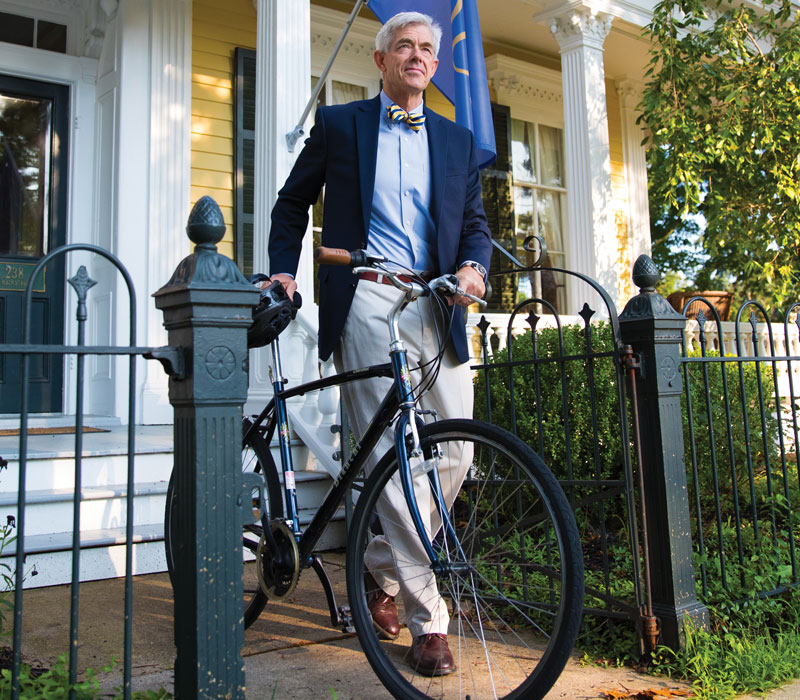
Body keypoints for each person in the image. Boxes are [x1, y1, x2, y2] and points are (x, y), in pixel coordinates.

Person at [267, 11, 492, 676]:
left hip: (437, 299)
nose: (417, 56)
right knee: (392, 453)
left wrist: (475, 267)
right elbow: (290, 205)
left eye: (427, 48)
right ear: (382, 59)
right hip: (364, 291)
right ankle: (430, 622)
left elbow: (475, 227)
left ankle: (379, 572)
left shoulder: (457, 140)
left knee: (456, 446)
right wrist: (285, 268)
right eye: (405, 46)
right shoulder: (342, 126)